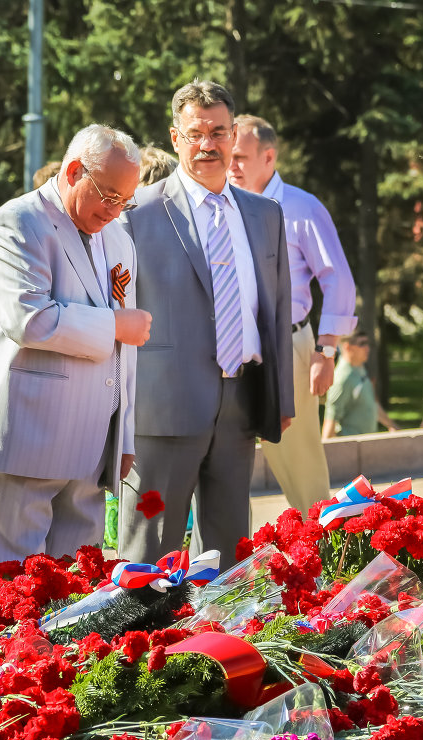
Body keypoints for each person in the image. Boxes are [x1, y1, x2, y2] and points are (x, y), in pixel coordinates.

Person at [0, 124, 151, 581]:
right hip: (23, 438)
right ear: (73, 170)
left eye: (125, 200)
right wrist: (116, 323)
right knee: (10, 594)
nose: (114, 209)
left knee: (76, 596)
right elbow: (29, 319)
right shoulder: (16, 222)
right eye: (107, 194)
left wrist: (123, 435)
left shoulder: (118, 236)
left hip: (90, 448)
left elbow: (125, 351)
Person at [118, 81, 294, 565]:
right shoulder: (136, 214)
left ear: (234, 135)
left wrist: (280, 396)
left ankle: (216, 638)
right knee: (148, 553)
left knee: (230, 552)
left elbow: (275, 308)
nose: (207, 145)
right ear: (175, 137)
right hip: (163, 410)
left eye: (218, 132)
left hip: (240, 406)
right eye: (195, 133)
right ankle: (140, 639)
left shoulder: (265, 214)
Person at [228, 115, 356, 515]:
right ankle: (232, 567)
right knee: (226, 464)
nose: (230, 165)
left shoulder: (302, 208)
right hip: (231, 347)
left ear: (269, 156)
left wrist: (327, 351)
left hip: (291, 348)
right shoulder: (219, 206)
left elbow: (338, 281)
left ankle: (327, 558)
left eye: (239, 157)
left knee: (302, 467)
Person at [322, 332, 398, 437]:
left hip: (367, 446)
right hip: (351, 449)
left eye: (368, 343)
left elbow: (372, 405)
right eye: (362, 343)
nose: (367, 348)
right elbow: (330, 420)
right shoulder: (343, 379)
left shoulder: (359, 369)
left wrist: (393, 426)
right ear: (347, 347)